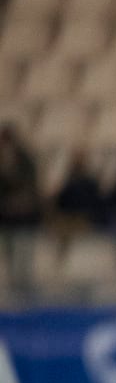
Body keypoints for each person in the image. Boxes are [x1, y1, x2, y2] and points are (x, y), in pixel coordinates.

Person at [0, 125, 40, 296]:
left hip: (25, 214)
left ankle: (24, 284)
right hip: (6, 215)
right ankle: (13, 282)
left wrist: (22, 200)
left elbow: (32, 184)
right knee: (10, 249)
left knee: (24, 248)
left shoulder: (25, 159)